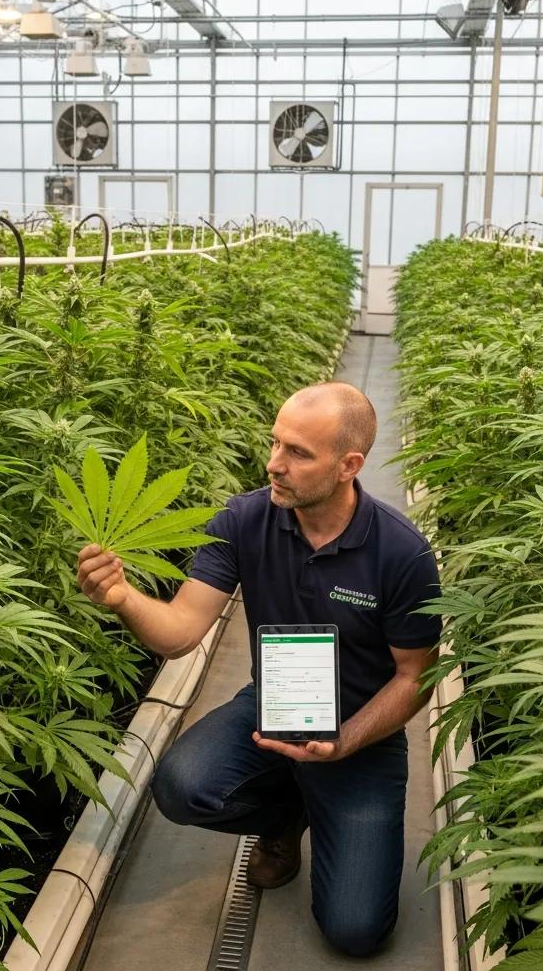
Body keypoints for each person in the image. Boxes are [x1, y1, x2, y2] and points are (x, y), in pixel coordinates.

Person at [76, 381, 442, 958]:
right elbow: (181, 633)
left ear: (349, 466)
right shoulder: (244, 520)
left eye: (298, 453)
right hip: (272, 705)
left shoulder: (402, 554)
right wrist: (121, 597)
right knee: (182, 786)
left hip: (362, 736)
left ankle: (328, 800)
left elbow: (414, 677)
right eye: (275, 444)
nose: (274, 464)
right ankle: (285, 816)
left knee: (356, 931)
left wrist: (345, 742)